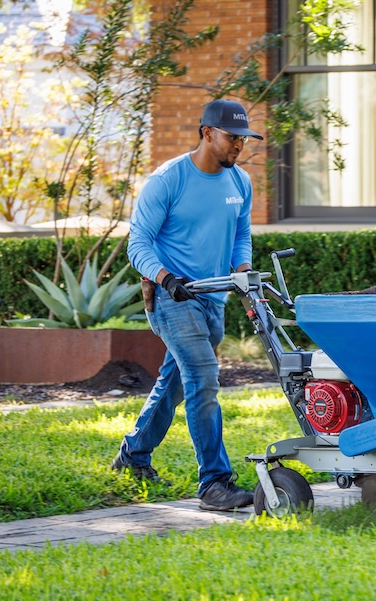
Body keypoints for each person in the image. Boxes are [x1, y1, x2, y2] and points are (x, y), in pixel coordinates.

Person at [110, 99, 263, 511]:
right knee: (203, 378)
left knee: (176, 381)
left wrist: (244, 272)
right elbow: (138, 242)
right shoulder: (167, 181)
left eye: (243, 140)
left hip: (213, 298)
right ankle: (214, 483)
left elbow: (240, 234)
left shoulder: (239, 183)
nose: (239, 147)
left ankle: (133, 454)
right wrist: (166, 278)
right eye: (232, 138)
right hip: (171, 296)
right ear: (206, 133)